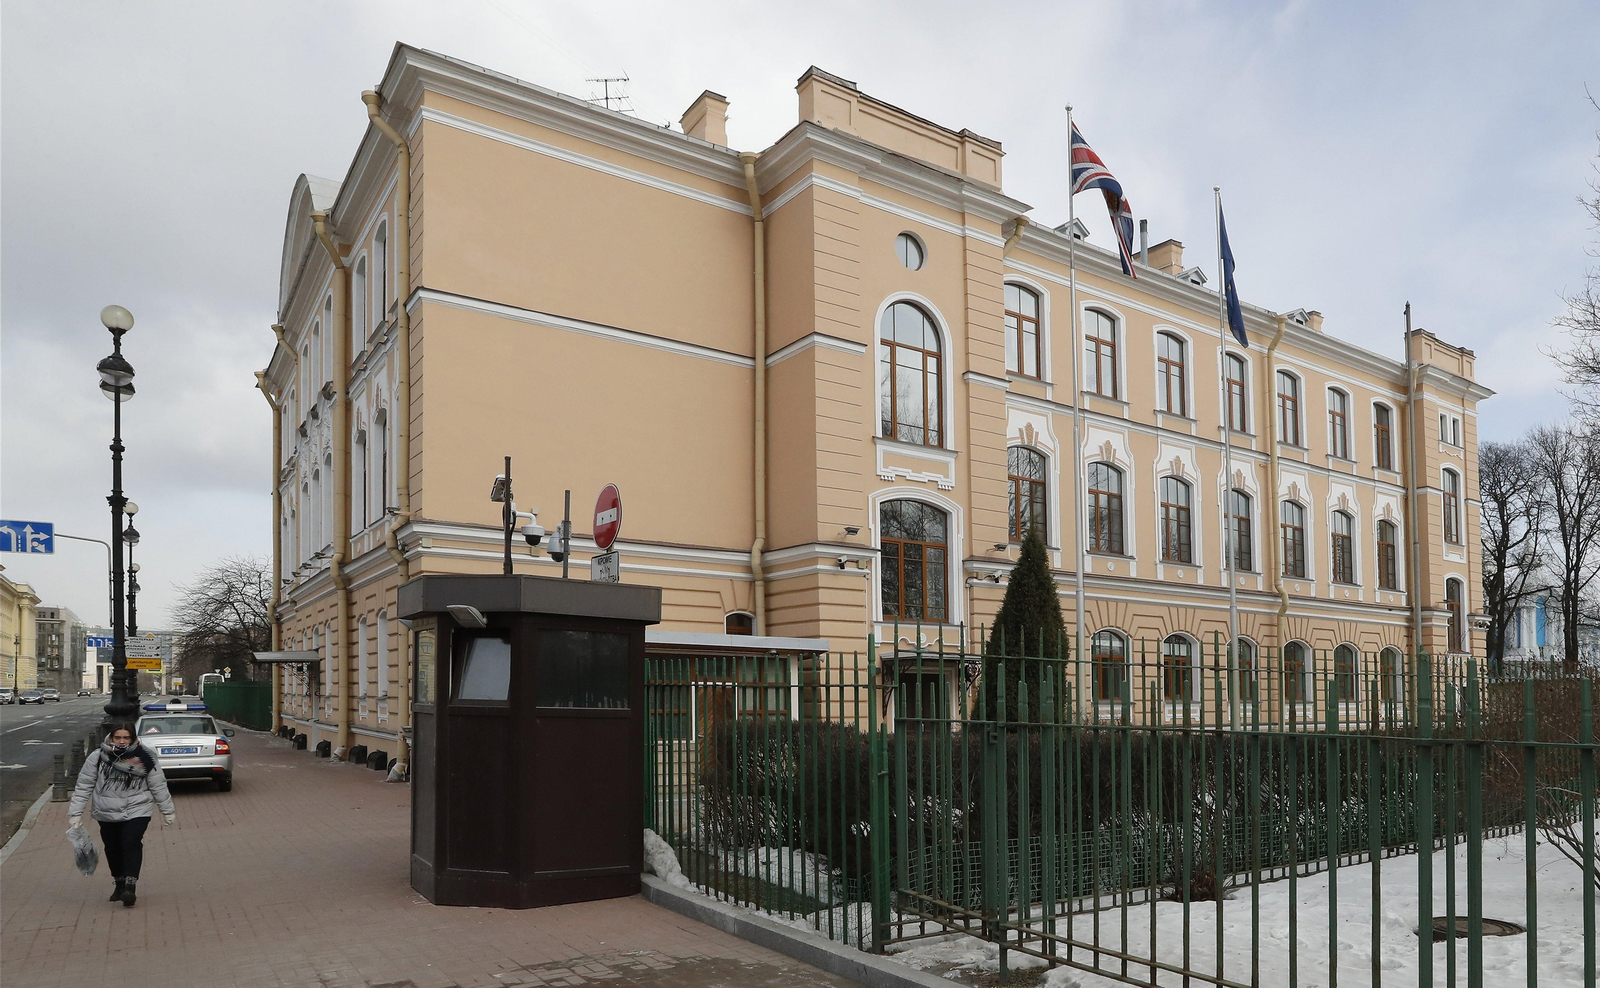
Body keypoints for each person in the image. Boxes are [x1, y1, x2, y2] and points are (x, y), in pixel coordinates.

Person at [68, 722, 176, 907]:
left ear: (133, 738)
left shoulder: (145, 757)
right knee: (112, 847)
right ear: (111, 737)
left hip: (137, 809)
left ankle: (130, 886)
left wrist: (167, 810)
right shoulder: (98, 757)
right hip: (106, 811)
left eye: (126, 738)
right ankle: (119, 882)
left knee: (131, 842)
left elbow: (158, 784)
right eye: (118, 737)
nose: (122, 741)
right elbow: (84, 785)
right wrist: (75, 813)